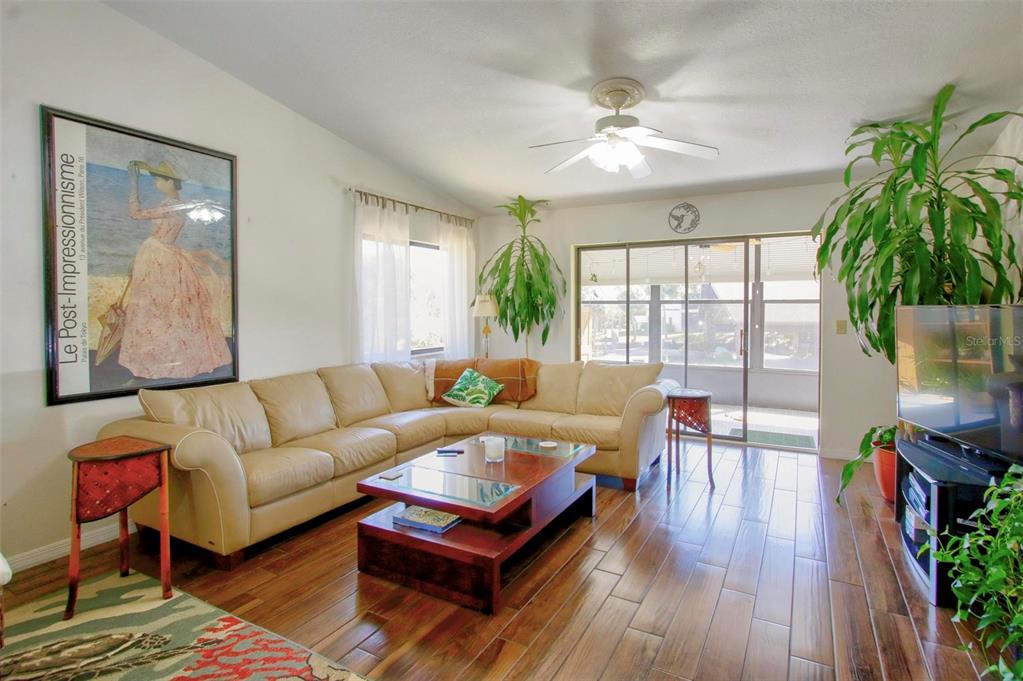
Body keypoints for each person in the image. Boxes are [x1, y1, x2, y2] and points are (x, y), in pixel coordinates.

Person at [116, 160, 231, 379]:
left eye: (159, 179)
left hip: (156, 255)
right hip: (163, 254)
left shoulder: (169, 205)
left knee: (156, 308)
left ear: (170, 181)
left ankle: (157, 361)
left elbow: (136, 214)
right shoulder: (179, 205)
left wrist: (133, 184)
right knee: (166, 309)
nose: (157, 183)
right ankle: (162, 358)